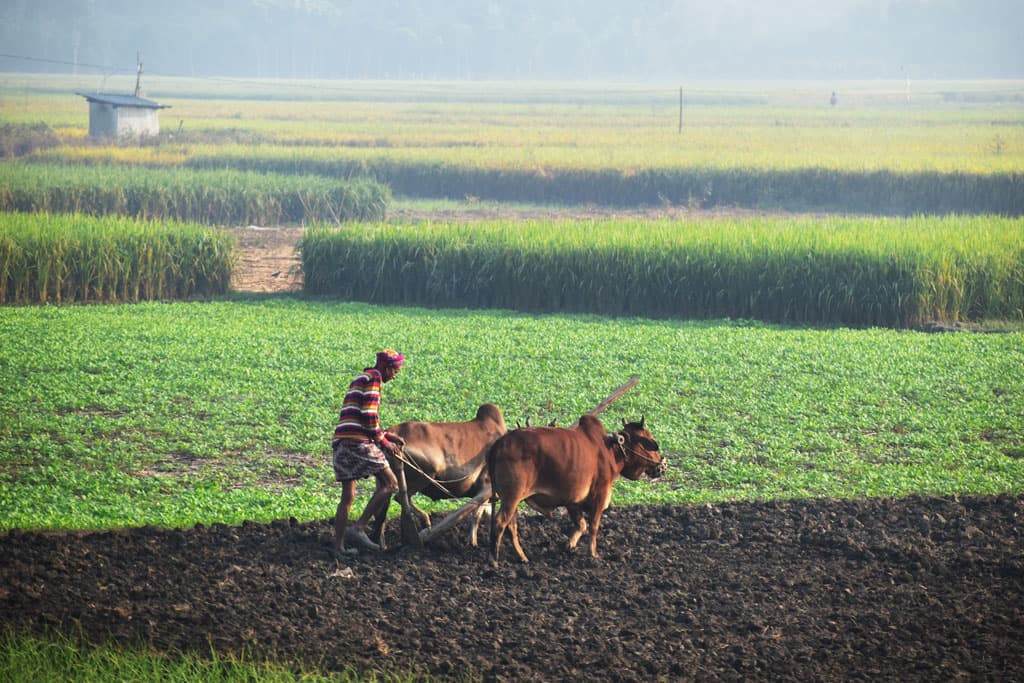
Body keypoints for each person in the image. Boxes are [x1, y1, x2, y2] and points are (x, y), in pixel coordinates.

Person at [331, 349, 406, 554]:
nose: (395, 375)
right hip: (357, 443)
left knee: (348, 496)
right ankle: (359, 527)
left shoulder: (361, 377)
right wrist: (385, 442)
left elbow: (359, 416)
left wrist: (387, 436)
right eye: (395, 371)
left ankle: (339, 547)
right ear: (387, 367)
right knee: (391, 483)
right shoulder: (375, 380)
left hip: (341, 443)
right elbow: (369, 416)